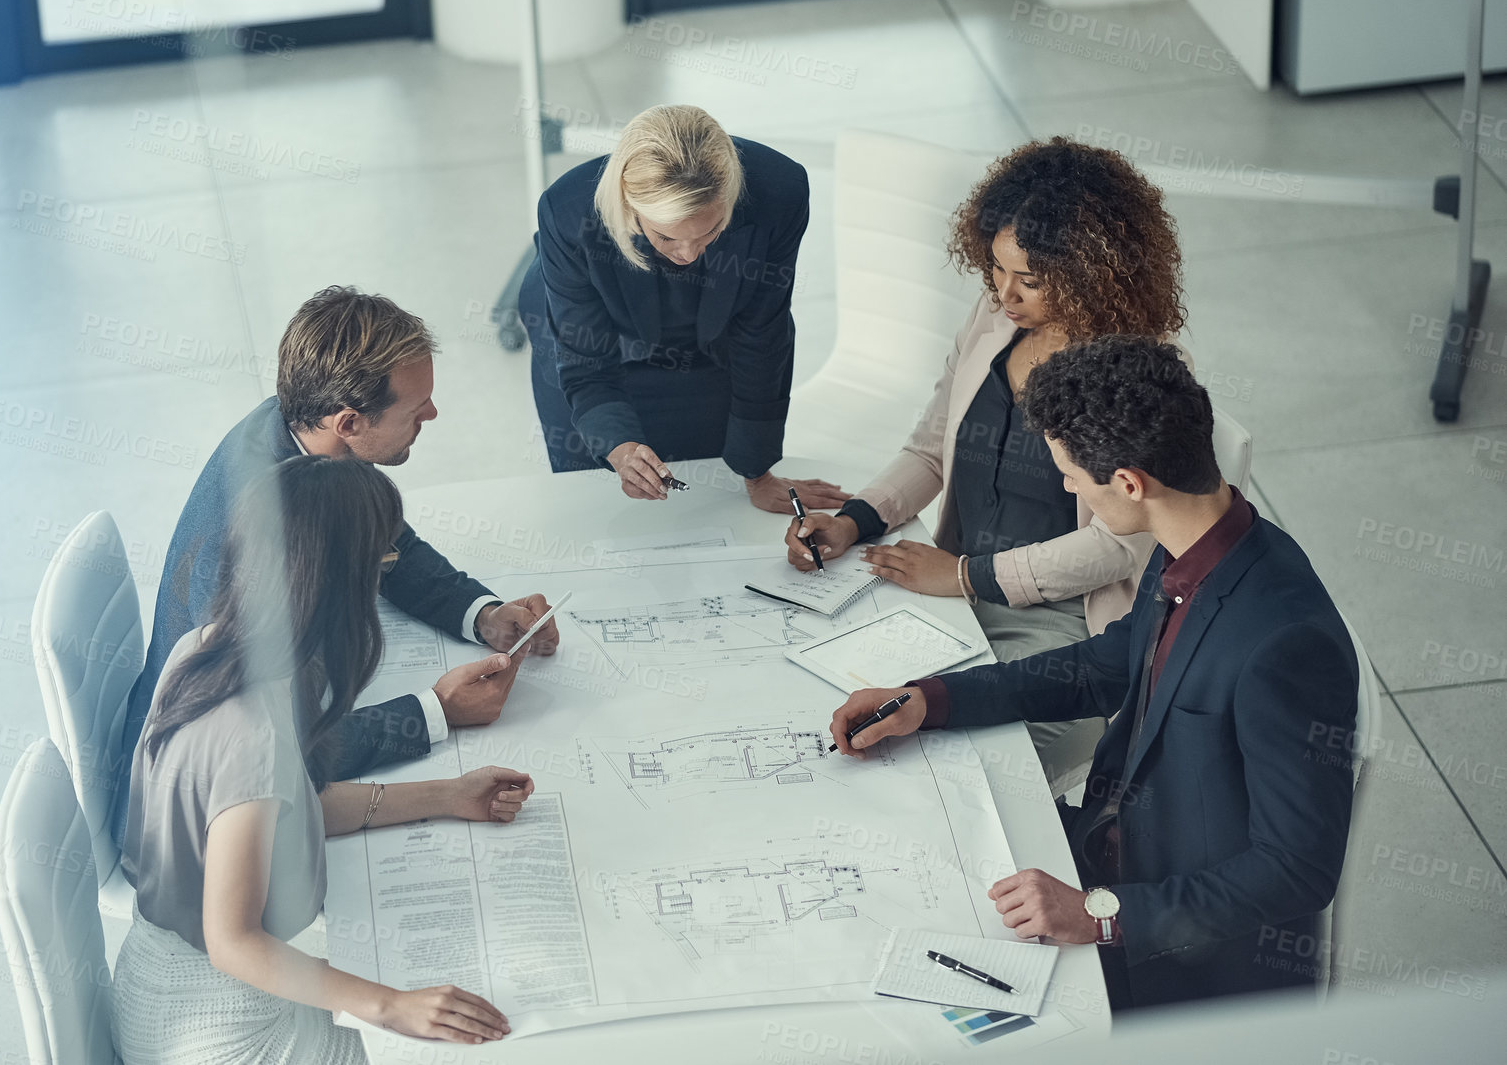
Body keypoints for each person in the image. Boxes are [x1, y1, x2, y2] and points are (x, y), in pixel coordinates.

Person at [828, 339, 1357, 1010]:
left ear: (1131, 482)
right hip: (1108, 852)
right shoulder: (1189, 547)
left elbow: (1296, 871)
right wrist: (931, 698)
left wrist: (1099, 914)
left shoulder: (1284, 644)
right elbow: (1101, 665)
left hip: (1183, 960)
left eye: (1072, 479)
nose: (1070, 490)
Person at [787, 137, 1188, 792]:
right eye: (996, 269)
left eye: (1029, 279)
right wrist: (853, 520)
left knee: (969, 777)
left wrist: (969, 577)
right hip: (950, 592)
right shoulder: (992, 319)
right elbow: (930, 444)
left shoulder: (1137, 368)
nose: (1004, 293)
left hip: (1067, 634)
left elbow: (1119, 545)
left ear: (1094, 271)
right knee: (845, 719)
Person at [114, 455, 530, 1062]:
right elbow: (232, 942)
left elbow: (285, 808)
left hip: (162, 976)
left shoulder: (202, 649)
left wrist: (447, 795)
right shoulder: (253, 732)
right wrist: (394, 1005)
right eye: (383, 563)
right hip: (221, 1024)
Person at [115, 287, 559, 843]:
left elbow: (381, 536)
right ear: (349, 422)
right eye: (414, 408)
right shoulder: (263, 550)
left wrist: (482, 614)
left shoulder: (301, 426)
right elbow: (272, 758)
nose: (433, 413)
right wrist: (436, 711)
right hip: (193, 811)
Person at [521, 103, 848, 512]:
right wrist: (620, 448)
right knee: (592, 500)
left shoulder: (780, 190)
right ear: (631, 208)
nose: (689, 254)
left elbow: (762, 332)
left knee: (705, 495)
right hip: (588, 329)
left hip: (714, 329)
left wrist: (757, 471)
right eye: (667, 237)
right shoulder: (567, 211)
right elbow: (585, 362)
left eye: (710, 230)